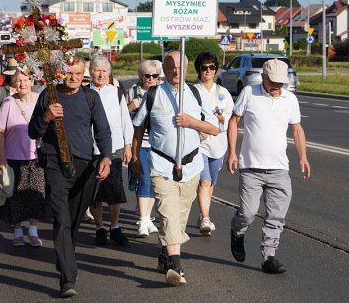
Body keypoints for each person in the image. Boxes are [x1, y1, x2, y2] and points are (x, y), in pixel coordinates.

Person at [132, 51, 219, 287]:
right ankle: (176, 267)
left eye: (180, 67)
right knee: (168, 213)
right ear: (164, 69)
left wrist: (192, 122)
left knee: (178, 218)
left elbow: (214, 128)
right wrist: (135, 156)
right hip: (161, 164)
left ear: (187, 68)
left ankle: (164, 255)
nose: (176, 71)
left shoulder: (195, 94)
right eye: (171, 66)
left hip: (191, 167)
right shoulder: (153, 94)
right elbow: (138, 126)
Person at [28, 55, 112, 298]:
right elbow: (32, 131)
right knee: (62, 217)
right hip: (54, 162)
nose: (73, 78)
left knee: (74, 219)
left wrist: (106, 157)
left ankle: (65, 255)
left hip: (84, 165)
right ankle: (67, 279)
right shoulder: (48, 95)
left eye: (78, 73)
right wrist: (45, 117)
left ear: (84, 74)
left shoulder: (90, 97)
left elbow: (103, 130)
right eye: (69, 73)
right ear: (60, 73)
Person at [226, 58, 311, 274]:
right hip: (251, 167)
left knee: (276, 216)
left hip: (279, 169)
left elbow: (297, 129)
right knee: (247, 212)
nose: (277, 86)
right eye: (273, 81)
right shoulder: (249, 93)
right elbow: (234, 121)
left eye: (281, 82)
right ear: (263, 77)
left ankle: (268, 257)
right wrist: (232, 152)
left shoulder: (290, 99)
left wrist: (303, 157)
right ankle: (237, 233)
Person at [0, 70, 45, 247]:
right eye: (18, 81)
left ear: (32, 81)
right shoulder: (9, 102)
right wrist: (0, 157)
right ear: (14, 84)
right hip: (13, 156)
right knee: (14, 195)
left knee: (37, 194)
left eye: (25, 80)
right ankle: (17, 231)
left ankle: (33, 230)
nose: (22, 84)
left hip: (36, 157)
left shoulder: (40, 99)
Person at [89, 56, 133, 247]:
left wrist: (128, 145)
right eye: (97, 70)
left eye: (104, 71)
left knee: (114, 190)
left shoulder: (116, 93)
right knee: (94, 192)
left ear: (109, 74)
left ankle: (114, 226)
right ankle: (99, 227)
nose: (100, 74)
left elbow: (125, 120)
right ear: (90, 72)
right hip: (90, 148)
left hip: (114, 147)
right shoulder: (84, 92)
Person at [194, 52, 234, 236]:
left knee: (210, 185)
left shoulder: (224, 93)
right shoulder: (193, 91)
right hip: (199, 143)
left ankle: (203, 213)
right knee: (205, 180)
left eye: (211, 67)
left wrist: (222, 118)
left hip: (218, 144)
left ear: (216, 69)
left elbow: (231, 119)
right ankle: (205, 218)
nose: (208, 71)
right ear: (199, 70)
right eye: (204, 67)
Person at [127, 59, 162, 238]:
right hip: (139, 142)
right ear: (141, 76)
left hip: (157, 145)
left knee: (155, 183)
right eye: (147, 75)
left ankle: (147, 218)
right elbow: (122, 118)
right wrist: (129, 107)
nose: (150, 79)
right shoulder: (133, 91)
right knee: (144, 180)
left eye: (154, 76)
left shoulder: (161, 92)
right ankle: (143, 219)